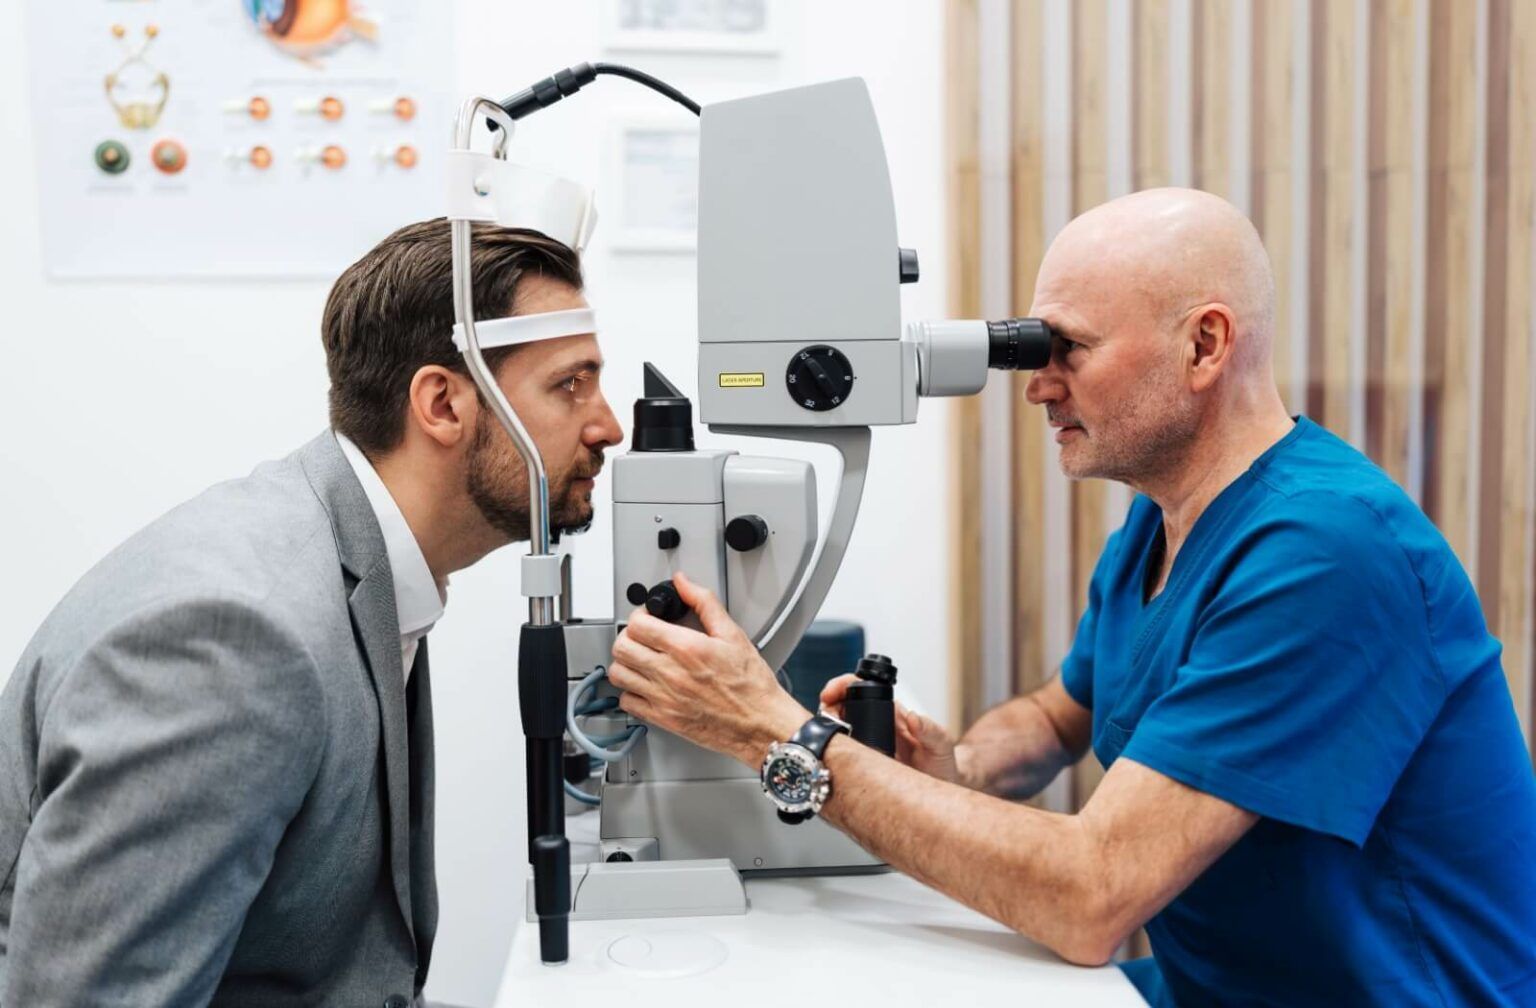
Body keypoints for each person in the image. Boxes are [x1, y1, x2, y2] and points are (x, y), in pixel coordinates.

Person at [606, 188, 1536, 1006]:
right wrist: (959, 767)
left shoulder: (1323, 551)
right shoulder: (1163, 519)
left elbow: (1094, 896)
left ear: (1204, 344)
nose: (1037, 385)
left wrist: (769, 731)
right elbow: (1059, 719)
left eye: (1070, 349)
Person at [0, 220, 624, 1006]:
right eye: (570, 384)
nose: (608, 425)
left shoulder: (355, 569)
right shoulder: (235, 640)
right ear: (441, 403)